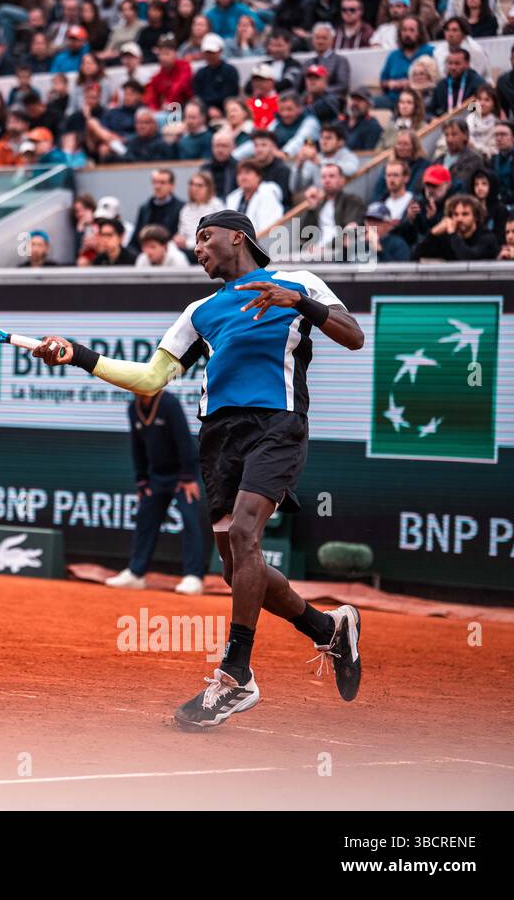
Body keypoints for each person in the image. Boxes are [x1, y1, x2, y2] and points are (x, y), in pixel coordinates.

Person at [31, 209, 366, 729]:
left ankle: (236, 675)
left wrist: (301, 303)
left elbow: (353, 335)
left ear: (240, 237)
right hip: (218, 438)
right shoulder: (198, 312)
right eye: (195, 242)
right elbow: (149, 378)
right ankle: (328, 629)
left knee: (249, 536)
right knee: (235, 568)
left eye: (205, 238)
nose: (198, 249)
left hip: (277, 425)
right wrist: (79, 355)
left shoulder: (295, 280)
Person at [104, 389, 206, 595]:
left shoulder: (169, 403)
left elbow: (185, 441)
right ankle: (136, 574)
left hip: (182, 476)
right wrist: (141, 479)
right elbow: (137, 446)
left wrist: (188, 477)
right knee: (145, 519)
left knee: (190, 521)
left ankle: (193, 577)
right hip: (156, 476)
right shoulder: (133, 408)